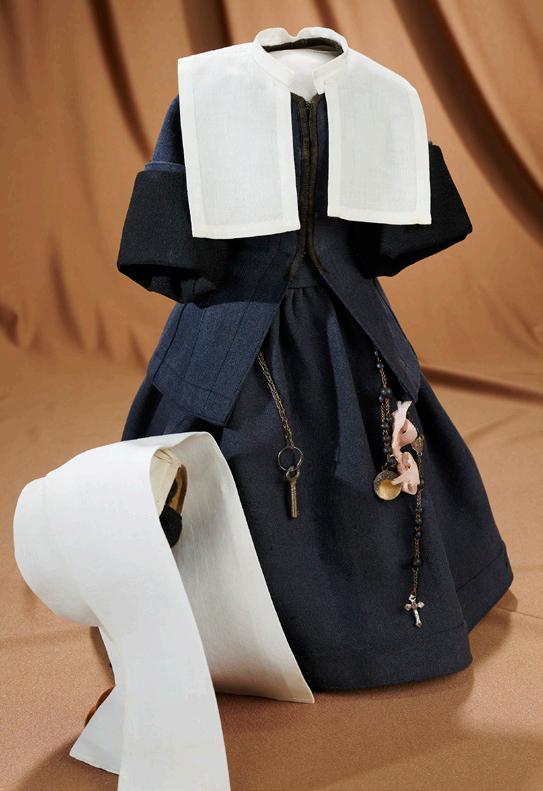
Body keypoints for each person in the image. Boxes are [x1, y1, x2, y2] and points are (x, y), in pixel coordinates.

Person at [117, 26, 514, 692]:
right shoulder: (214, 90)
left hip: (321, 324)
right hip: (278, 329)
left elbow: (175, 254)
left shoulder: (376, 92)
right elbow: (389, 242)